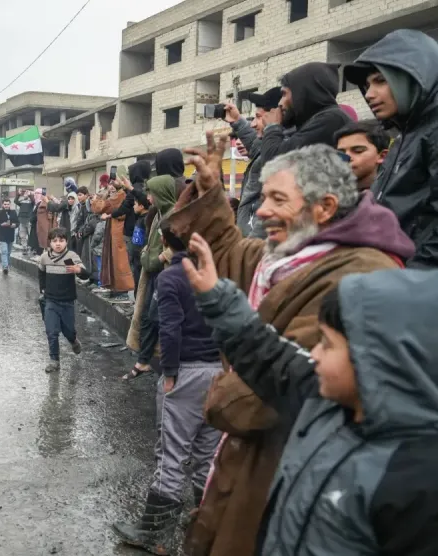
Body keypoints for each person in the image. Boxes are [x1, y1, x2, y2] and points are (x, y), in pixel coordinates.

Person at [169, 132, 415, 556]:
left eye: (278, 200)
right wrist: (210, 190)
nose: (262, 210)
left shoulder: (359, 274)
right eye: (264, 197)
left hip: (289, 465)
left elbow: (286, 386)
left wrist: (219, 396)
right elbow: (228, 249)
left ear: (325, 208)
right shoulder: (286, 256)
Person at [184, 237, 438, 556]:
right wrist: (217, 299)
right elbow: (272, 356)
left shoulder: (417, 485)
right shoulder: (324, 401)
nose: (314, 353)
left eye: (328, 344)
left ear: (375, 359)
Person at [112, 223, 222, 555]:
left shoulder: (171, 277)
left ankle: (154, 534)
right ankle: (207, 527)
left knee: (171, 454)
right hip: (217, 372)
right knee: (208, 455)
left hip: (185, 372)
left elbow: (169, 328)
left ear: (165, 241)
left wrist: (170, 372)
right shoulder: (216, 272)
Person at [344, 29, 438, 268]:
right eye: (367, 85)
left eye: (380, 81)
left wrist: (407, 280)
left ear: (414, 77)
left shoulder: (432, 131)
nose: (369, 94)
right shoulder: (408, 133)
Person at [125, 175, 179, 380]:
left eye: (151, 193)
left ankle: (167, 368)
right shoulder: (159, 214)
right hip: (153, 273)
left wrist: (163, 256)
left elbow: (181, 245)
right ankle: (144, 360)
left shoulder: (175, 215)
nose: (148, 198)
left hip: (165, 273)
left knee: (158, 317)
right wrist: (147, 253)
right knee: (148, 316)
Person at [261, 62, 352, 164]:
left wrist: (272, 127)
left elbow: (274, 162)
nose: (280, 103)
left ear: (302, 92)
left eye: (284, 94)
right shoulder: (318, 119)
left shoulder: (331, 119)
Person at [224, 87, 284, 238]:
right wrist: (237, 121)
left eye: (258, 117)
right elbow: (256, 146)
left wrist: (250, 245)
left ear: (276, 115)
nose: (253, 124)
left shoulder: (282, 153)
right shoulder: (270, 147)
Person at [38, 228, 89, 373]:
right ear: (50, 242)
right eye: (54, 241)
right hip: (51, 301)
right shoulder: (45, 257)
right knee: (51, 331)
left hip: (67, 301)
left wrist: (78, 270)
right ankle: (54, 361)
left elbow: (85, 274)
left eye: (61, 240)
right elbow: (41, 272)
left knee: (68, 331)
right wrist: (43, 288)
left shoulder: (70, 257)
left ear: (66, 241)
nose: (58, 244)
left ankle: (73, 340)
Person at [111, 161, 152, 292]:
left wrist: (110, 214)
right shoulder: (144, 187)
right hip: (136, 228)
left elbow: (124, 207)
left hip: (132, 229)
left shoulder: (136, 189)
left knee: (135, 262)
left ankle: (133, 293)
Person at [93, 186, 135, 302]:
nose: (110, 186)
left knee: (119, 262)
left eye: (113, 182)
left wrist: (100, 196)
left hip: (119, 233)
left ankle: (122, 292)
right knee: (113, 261)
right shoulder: (120, 195)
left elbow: (99, 208)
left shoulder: (120, 196)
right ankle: (115, 289)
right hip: (114, 232)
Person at [334, 122, 389, 192]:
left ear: (382, 156)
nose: (346, 157)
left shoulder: (393, 194)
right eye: (341, 153)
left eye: (358, 151)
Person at [0, 198, 19, 275]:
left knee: (8, 252)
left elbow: (17, 222)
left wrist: (15, 225)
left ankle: (6, 265)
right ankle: (5, 267)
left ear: (10, 205)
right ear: (2, 205)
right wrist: (1, 224)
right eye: (5, 204)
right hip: (2, 235)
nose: (6, 206)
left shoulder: (13, 212)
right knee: (4, 252)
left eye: (8, 204)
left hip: (10, 235)